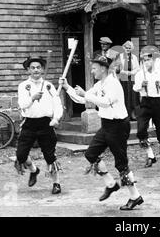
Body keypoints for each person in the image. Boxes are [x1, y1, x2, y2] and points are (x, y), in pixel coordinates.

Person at [59, 55, 143, 210]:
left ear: (103, 68)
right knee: (90, 154)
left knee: (121, 164)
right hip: (106, 125)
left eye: (94, 68)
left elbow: (106, 102)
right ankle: (111, 184)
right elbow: (82, 99)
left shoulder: (114, 83)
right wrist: (67, 87)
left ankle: (135, 196)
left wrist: (87, 94)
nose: (92, 71)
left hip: (118, 126)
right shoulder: (100, 84)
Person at [14, 56, 63, 194]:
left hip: (46, 124)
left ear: (42, 70)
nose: (36, 70)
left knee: (49, 155)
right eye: (33, 67)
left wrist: (56, 118)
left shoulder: (48, 86)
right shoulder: (23, 86)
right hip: (29, 123)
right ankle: (34, 171)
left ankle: (56, 183)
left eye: (38, 67)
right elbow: (22, 105)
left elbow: (57, 104)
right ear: (28, 70)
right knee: (21, 155)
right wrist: (32, 98)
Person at [133, 50, 160, 171]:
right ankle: (151, 155)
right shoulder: (140, 74)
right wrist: (141, 84)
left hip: (158, 102)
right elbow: (135, 88)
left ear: (154, 60)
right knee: (141, 130)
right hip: (145, 102)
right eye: (144, 60)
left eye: (149, 60)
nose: (147, 62)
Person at [117, 41, 140, 120]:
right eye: (126, 48)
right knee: (125, 96)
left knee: (133, 96)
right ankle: (126, 114)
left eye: (129, 48)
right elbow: (118, 68)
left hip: (132, 79)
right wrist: (126, 72)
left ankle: (133, 114)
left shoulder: (134, 57)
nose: (128, 49)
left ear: (131, 49)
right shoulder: (120, 56)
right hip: (123, 79)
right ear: (124, 48)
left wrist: (133, 72)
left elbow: (138, 68)